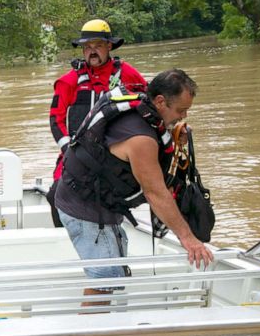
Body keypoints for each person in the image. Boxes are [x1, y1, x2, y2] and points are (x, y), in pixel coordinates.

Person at [55, 68, 214, 304]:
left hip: (90, 198)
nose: (183, 117)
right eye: (180, 110)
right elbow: (155, 193)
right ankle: (91, 335)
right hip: (85, 210)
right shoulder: (141, 139)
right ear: (160, 101)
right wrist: (188, 238)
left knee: (112, 276)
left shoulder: (141, 106)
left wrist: (172, 134)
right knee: (105, 283)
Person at [47, 19, 147, 225]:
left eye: (98, 46)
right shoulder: (69, 81)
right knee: (55, 194)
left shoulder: (128, 74)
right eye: (87, 47)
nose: (92, 52)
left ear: (109, 46)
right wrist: (68, 150)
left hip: (115, 153)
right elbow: (55, 119)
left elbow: (150, 105)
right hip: (76, 152)